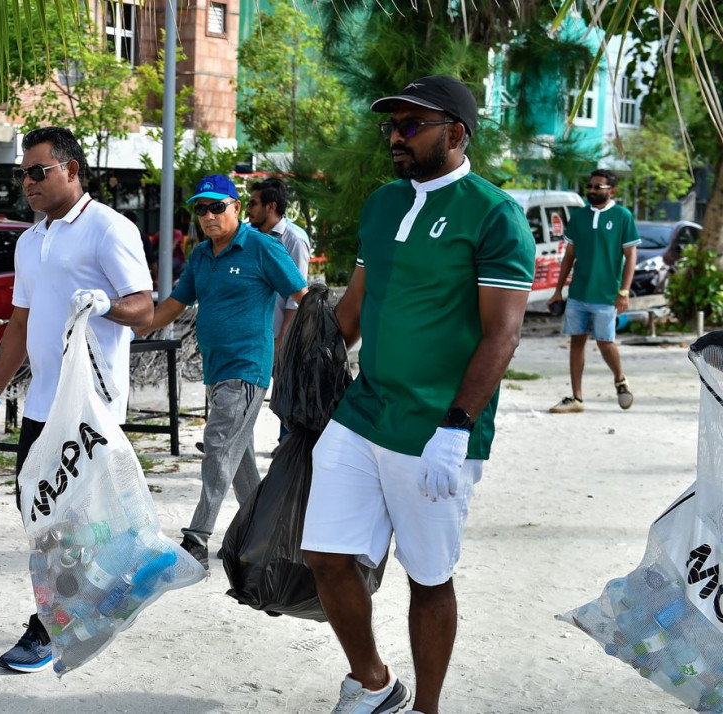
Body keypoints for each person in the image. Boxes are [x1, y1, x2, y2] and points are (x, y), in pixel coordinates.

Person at [299, 75, 535, 714]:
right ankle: (375, 682)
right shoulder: (381, 204)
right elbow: (354, 308)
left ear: (455, 133)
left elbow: (503, 333)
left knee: (429, 577)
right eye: (391, 126)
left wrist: (457, 427)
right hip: (364, 411)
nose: (395, 138)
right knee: (325, 554)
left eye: (411, 126)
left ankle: (427, 709)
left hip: (437, 427)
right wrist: (304, 352)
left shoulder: (495, 215)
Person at [0, 127, 153, 673]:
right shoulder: (30, 241)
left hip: (90, 408)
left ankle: (50, 625)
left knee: (66, 522)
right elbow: (20, 323)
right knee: (37, 512)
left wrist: (107, 306)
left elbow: (144, 307)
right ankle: (110, 584)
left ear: (71, 170)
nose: (27, 182)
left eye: (38, 171)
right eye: (22, 173)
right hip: (42, 405)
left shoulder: (108, 228)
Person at [137, 173, 308, 569]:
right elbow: (175, 304)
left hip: (248, 368)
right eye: (201, 209)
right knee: (237, 458)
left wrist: (307, 346)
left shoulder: (262, 247)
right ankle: (268, 537)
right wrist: (134, 328)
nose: (209, 215)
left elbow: (301, 295)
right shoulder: (201, 256)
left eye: (217, 207)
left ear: (236, 208)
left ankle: (197, 538)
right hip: (216, 372)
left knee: (217, 445)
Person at [547, 169, 639, 414]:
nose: (591, 190)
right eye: (589, 186)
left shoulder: (622, 216)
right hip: (578, 292)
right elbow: (569, 256)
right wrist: (558, 291)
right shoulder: (578, 216)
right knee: (576, 341)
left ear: (612, 190)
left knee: (605, 342)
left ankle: (620, 379)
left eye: (598, 187)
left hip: (607, 294)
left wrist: (624, 292)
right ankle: (576, 398)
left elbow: (631, 257)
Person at [247, 177, 313, 357]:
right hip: (252, 338)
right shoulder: (250, 236)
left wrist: (281, 344)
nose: (248, 209)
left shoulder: (294, 240)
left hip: (278, 340)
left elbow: (296, 298)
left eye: (253, 204)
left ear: (271, 206)